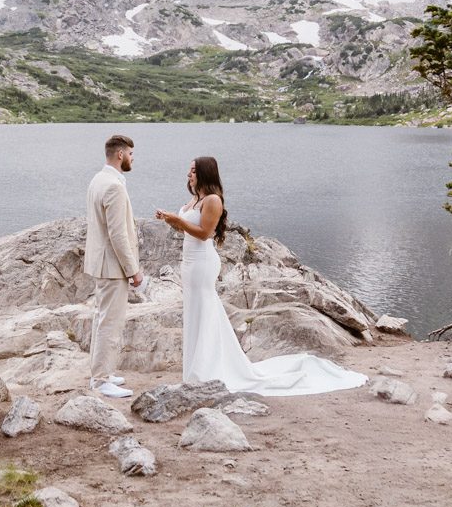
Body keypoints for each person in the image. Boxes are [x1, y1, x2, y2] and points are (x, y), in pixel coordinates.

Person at [155, 156, 366, 396]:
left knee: (204, 308)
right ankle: (195, 368)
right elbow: (186, 230)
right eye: (189, 170)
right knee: (194, 311)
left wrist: (178, 220)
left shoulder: (213, 200)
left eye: (193, 170)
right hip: (189, 262)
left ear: (205, 172)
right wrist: (170, 220)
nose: (188, 174)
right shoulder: (195, 200)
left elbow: (204, 234)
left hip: (202, 262)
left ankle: (205, 371)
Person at [83, 133, 142, 398]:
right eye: (131, 153)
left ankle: (101, 372)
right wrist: (133, 270)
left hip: (101, 263)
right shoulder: (114, 186)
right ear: (120, 154)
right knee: (110, 323)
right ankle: (101, 379)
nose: (132, 158)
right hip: (112, 266)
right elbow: (118, 234)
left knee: (101, 319)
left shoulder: (99, 179)